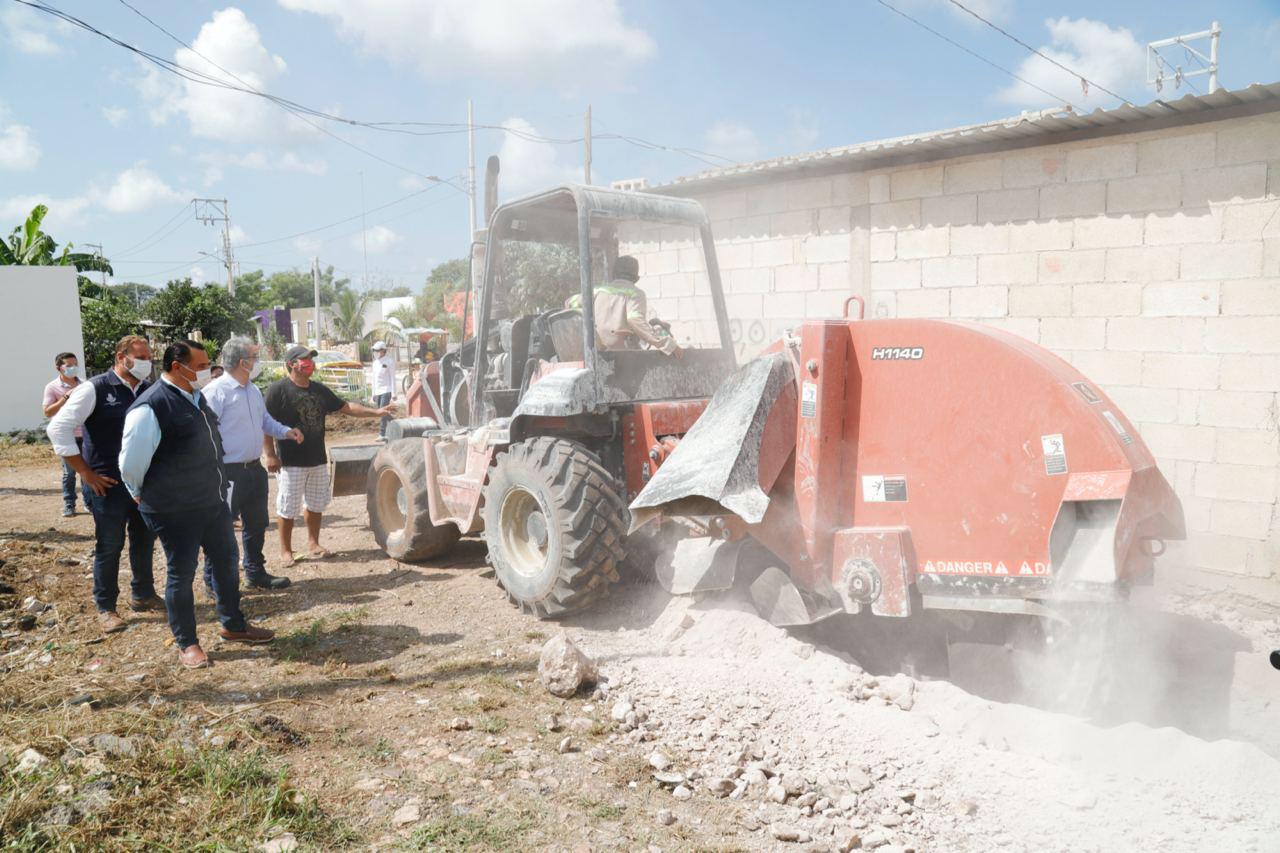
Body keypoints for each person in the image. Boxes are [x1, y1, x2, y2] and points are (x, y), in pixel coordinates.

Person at [119, 339, 274, 669]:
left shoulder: (196, 397)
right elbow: (131, 462)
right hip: (173, 509)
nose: (207, 372)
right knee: (181, 573)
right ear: (178, 367)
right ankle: (187, 643)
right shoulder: (152, 406)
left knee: (226, 561)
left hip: (211, 501)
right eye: (202, 366)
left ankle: (233, 625)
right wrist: (137, 491)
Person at [47, 336, 162, 633]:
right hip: (106, 484)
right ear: (121, 356)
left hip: (141, 483)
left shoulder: (148, 390)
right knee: (110, 545)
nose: (146, 362)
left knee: (144, 540)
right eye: (140, 356)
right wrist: (85, 473)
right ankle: (106, 607)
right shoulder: (95, 388)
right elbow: (57, 428)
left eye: (149, 356)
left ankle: (143, 594)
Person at [264, 345, 395, 564]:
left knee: (316, 504)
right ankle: (286, 551)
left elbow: (347, 407)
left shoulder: (319, 390)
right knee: (287, 506)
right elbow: (265, 424)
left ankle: (313, 543)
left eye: (311, 359)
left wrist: (377, 412)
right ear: (291, 364)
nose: (310, 363)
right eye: (304, 360)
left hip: (317, 458)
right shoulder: (278, 390)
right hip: (290, 461)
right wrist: (269, 454)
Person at [203, 337, 304, 591]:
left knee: (257, 524)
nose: (257, 362)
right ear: (242, 362)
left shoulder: (252, 389)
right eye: (254, 357)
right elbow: (204, 433)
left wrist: (286, 431)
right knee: (221, 529)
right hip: (227, 472)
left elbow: (265, 421)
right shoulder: (216, 392)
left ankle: (255, 573)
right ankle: (213, 581)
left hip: (253, 470)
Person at [566, 255, 681, 356]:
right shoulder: (636, 293)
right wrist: (667, 344)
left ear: (614, 274)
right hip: (623, 356)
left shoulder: (598, 291)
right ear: (636, 278)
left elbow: (569, 303)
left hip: (595, 352)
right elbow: (635, 320)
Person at [42, 352, 87, 517]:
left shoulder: (85, 385)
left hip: (86, 434)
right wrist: (64, 399)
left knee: (87, 470)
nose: (73, 368)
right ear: (58, 368)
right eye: (68, 365)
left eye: (75, 364)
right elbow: (47, 411)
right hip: (66, 435)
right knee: (70, 473)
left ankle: (89, 502)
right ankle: (69, 504)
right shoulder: (52, 387)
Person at [370, 340, 395, 441]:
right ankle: (397, 425)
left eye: (377, 350)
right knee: (381, 412)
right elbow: (374, 379)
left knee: (382, 411)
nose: (375, 352)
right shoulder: (375, 363)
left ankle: (382, 433)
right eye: (374, 350)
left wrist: (394, 393)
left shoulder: (389, 361)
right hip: (378, 391)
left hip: (386, 390)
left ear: (383, 351)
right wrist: (373, 394)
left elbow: (393, 377)